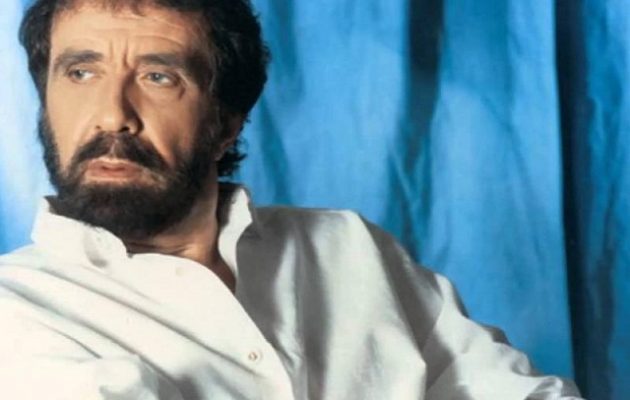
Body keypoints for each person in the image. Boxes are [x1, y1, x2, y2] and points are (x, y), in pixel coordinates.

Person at [0, 0, 582, 398]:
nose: (112, 115)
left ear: (227, 123)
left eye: (159, 78)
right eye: (80, 73)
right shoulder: (15, 312)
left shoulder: (349, 247)